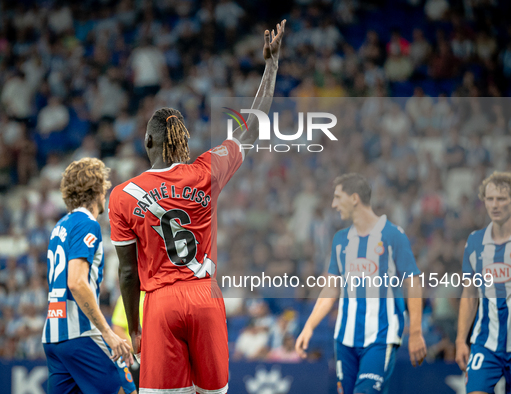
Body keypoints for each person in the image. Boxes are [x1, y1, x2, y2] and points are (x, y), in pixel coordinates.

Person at [110, 20, 286, 394]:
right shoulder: (207, 169)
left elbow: (127, 273)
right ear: (183, 141)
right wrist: (270, 68)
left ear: (147, 141)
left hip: (159, 303)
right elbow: (251, 128)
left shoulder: (123, 195)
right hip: (205, 296)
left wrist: (135, 327)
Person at [295, 173, 426, 394]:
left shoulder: (393, 235)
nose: (333, 204)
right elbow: (331, 288)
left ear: (354, 198)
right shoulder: (340, 239)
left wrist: (415, 331)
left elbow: (413, 282)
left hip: (381, 336)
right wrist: (309, 326)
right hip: (344, 338)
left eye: (338, 197)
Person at [42, 158, 136, 394]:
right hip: (81, 334)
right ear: (98, 189)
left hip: (54, 337)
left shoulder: (60, 226)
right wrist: (108, 333)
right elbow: (76, 282)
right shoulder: (87, 223)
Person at [455, 171, 511, 394]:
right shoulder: (475, 241)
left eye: (502, 198)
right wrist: (461, 340)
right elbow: (469, 295)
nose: (495, 205)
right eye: (490, 199)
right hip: (486, 344)